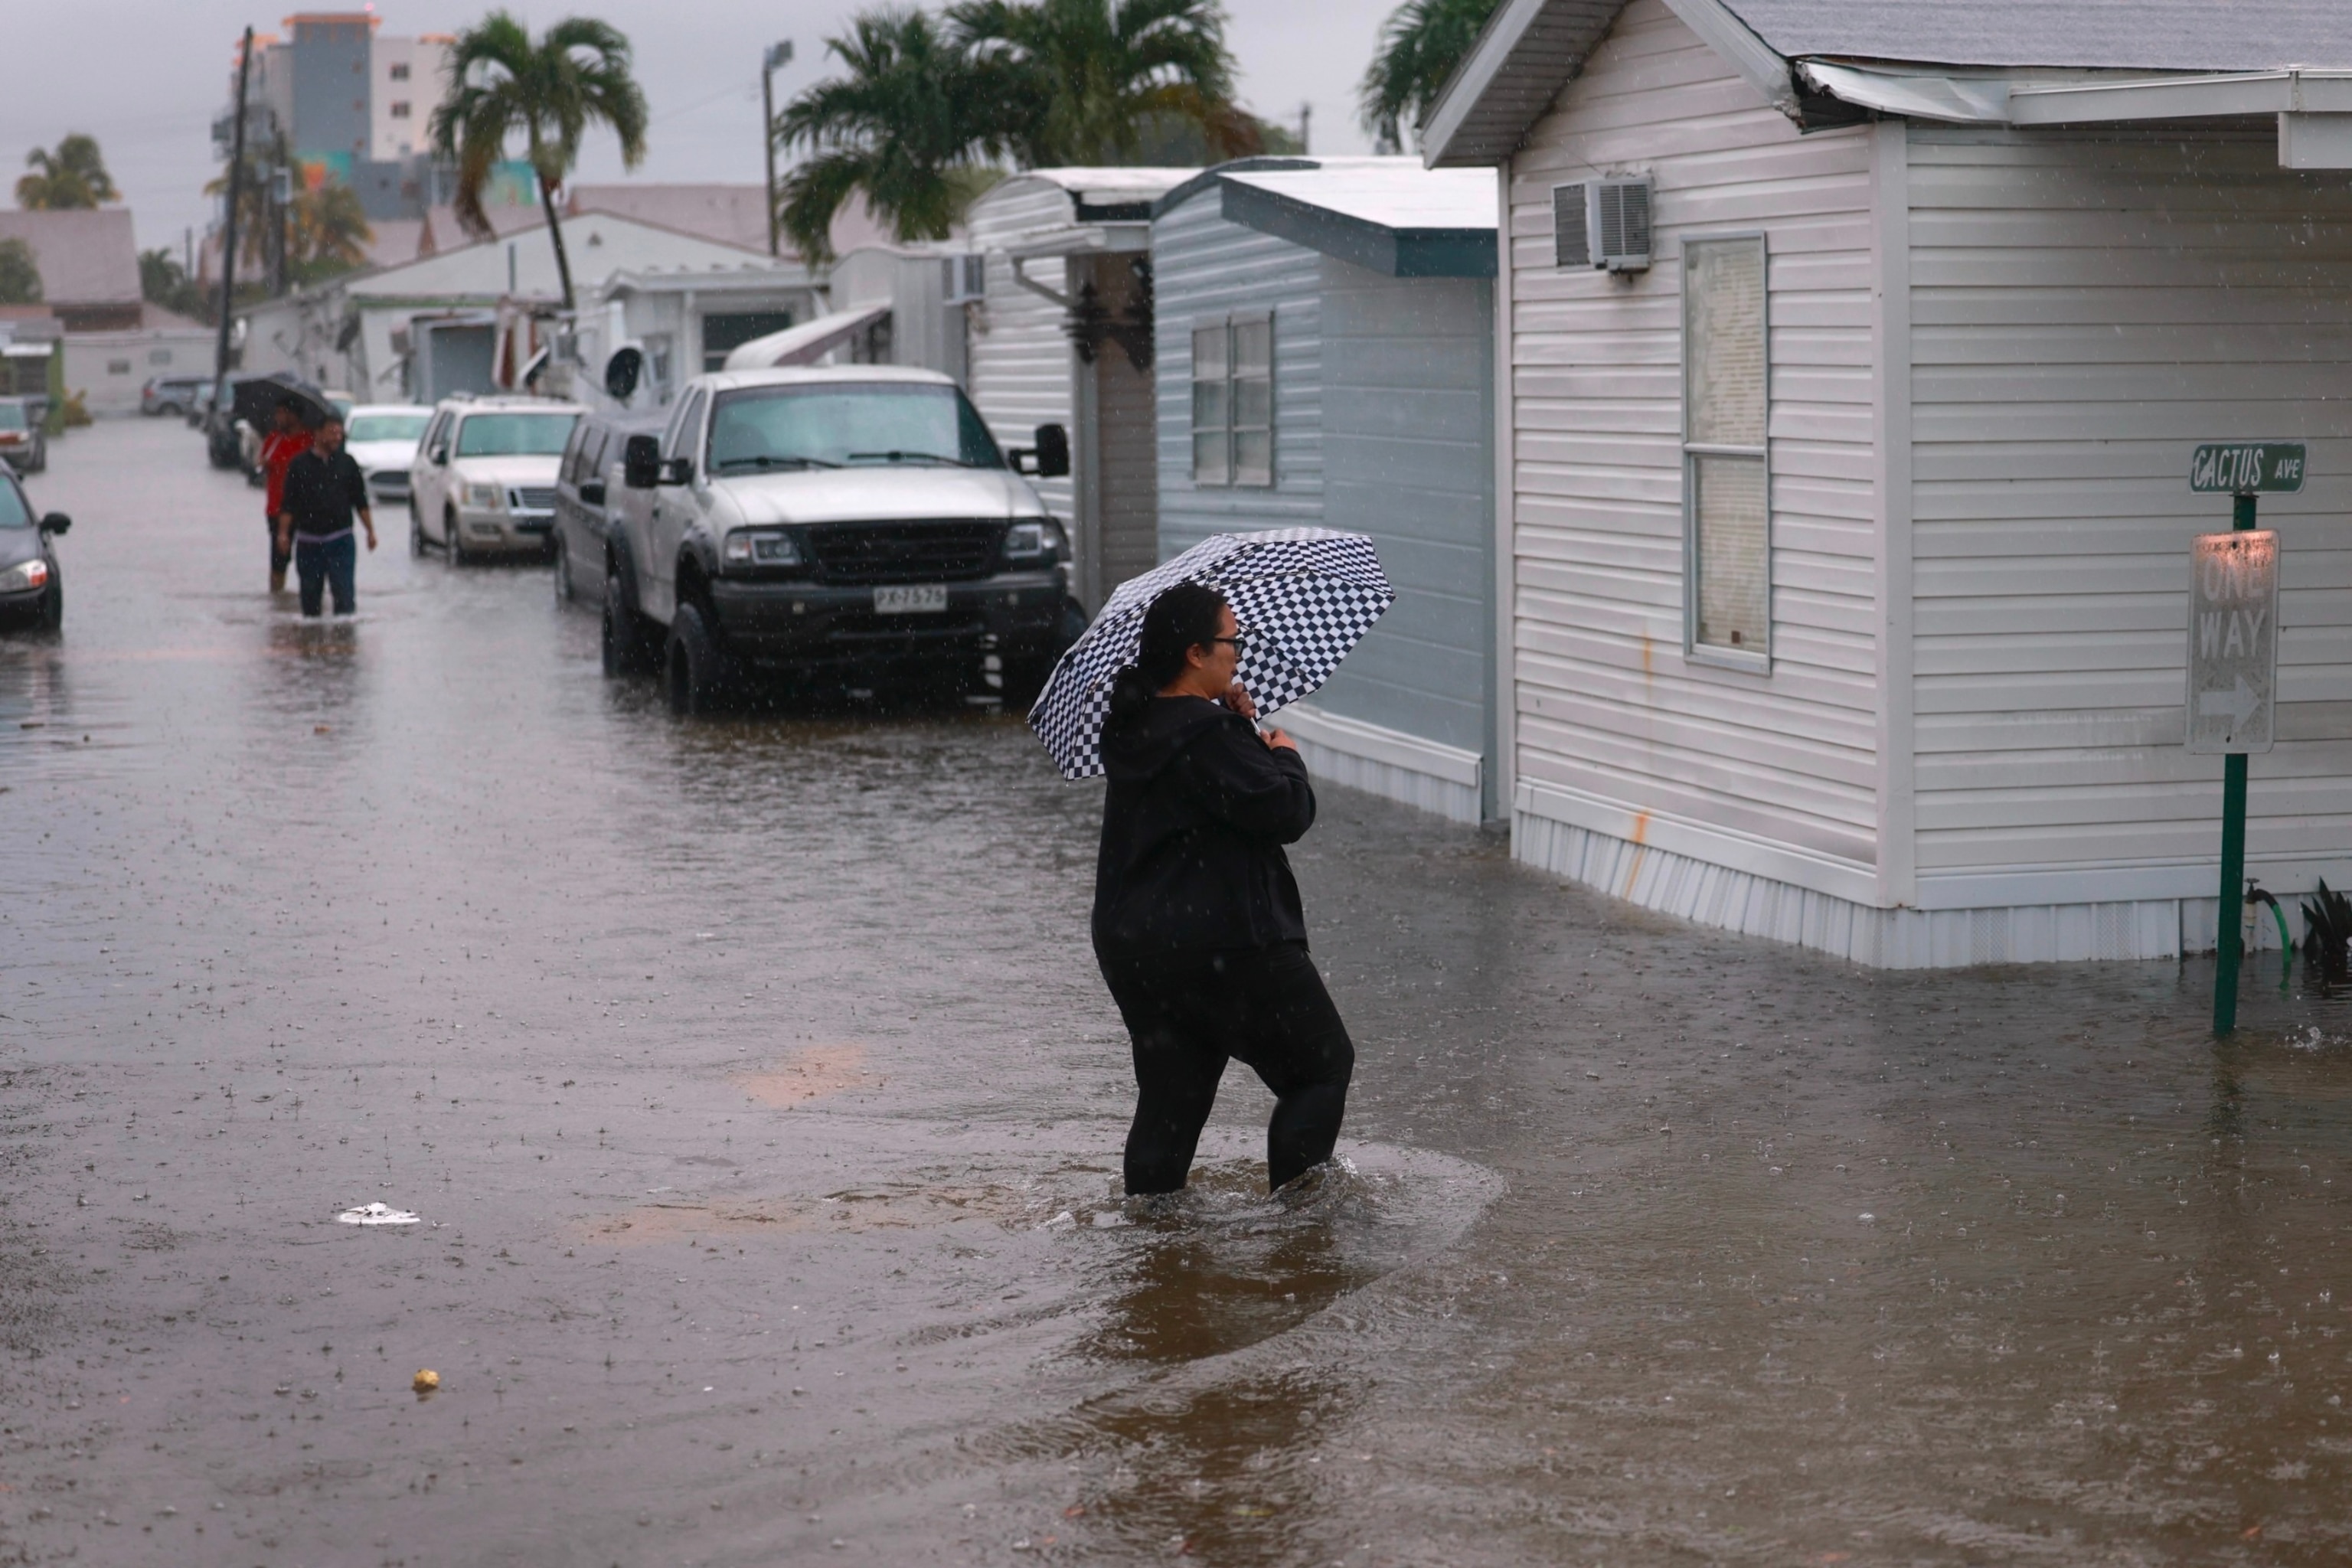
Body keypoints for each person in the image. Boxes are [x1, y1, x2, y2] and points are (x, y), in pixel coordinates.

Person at [1092, 580, 1355, 1197]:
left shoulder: (1139, 729)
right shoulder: (1206, 734)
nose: (1237, 651)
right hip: (1226, 941)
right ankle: (1301, 1234)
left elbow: (1208, 798)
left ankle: (1154, 1252)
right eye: (1229, 641)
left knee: (1171, 1099)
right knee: (1320, 1069)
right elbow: (1285, 812)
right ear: (1194, 653)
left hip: (1138, 950)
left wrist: (1237, 729)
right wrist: (1284, 753)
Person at [276, 416, 376, 617]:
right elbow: (288, 504)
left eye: (340, 433)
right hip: (309, 542)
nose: (337, 437)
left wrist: (370, 531)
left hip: (341, 540)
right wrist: (283, 534)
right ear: (318, 433)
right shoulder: (299, 465)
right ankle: (312, 644)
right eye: (332, 432)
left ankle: (345, 644)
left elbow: (360, 502)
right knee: (310, 602)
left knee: (345, 598)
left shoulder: (347, 463)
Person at [257, 399, 312, 594]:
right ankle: (277, 598)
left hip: (306, 509)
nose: (277, 417)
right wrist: (264, 464)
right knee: (278, 559)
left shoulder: (310, 440)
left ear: (294, 415)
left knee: (310, 558)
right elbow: (261, 465)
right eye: (277, 412)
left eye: (282, 412)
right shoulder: (273, 439)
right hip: (277, 509)